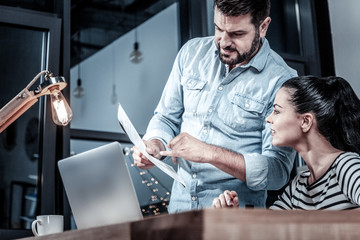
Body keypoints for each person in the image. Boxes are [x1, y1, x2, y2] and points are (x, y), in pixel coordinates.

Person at [133, 0, 297, 213]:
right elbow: (165, 118)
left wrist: (209, 153)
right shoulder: (190, 53)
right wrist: (155, 143)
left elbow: (278, 171)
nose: (224, 42)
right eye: (219, 29)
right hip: (179, 209)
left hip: (235, 219)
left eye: (237, 34)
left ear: (263, 27)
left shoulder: (283, 81)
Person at [213, 76, 360, 210]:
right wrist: (232, 215)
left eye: (277, 111)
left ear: (305, 121)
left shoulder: (347, 165)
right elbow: (266, 231)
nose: (268, 119)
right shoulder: (298, 186)